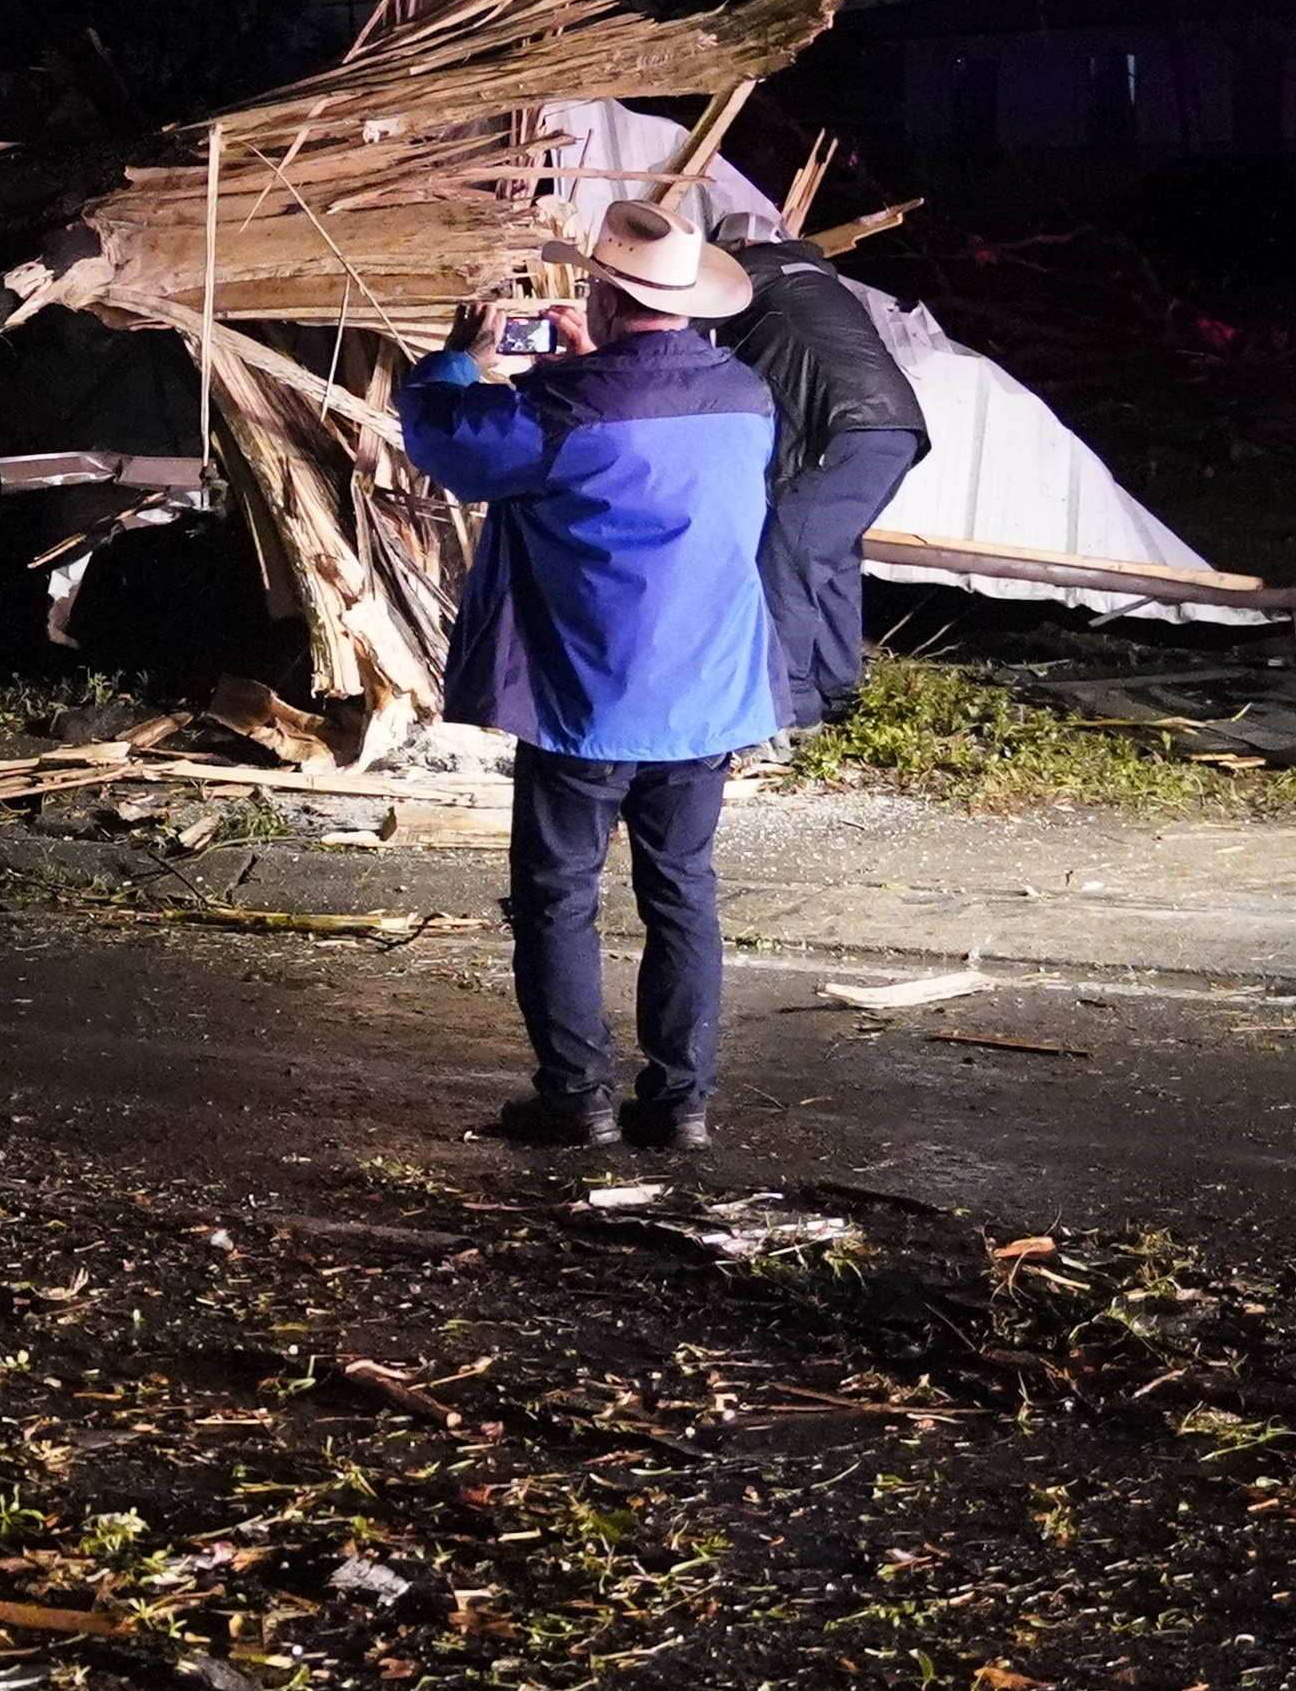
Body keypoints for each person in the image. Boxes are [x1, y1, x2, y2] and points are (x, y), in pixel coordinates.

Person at [396, 198, 777, 1151]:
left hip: (589, 696)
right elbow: (639, 444)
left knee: (559, 896)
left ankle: (578, 1099)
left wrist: (457, 360)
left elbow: (451, 441)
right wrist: (584, 367)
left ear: (602, 294)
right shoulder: (746, 393)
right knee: (681, 888)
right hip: (709, 692)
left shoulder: (558, 409)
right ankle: (681, 1103)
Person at [712, 210, 930, 742]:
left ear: (741, 246)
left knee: (787, 560)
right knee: (831, 560)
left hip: (848, 427)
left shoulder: (756, 273)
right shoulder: (816, 284)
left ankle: (789, 709)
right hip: (892, 428)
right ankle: (839, 692)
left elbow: (685, 326)